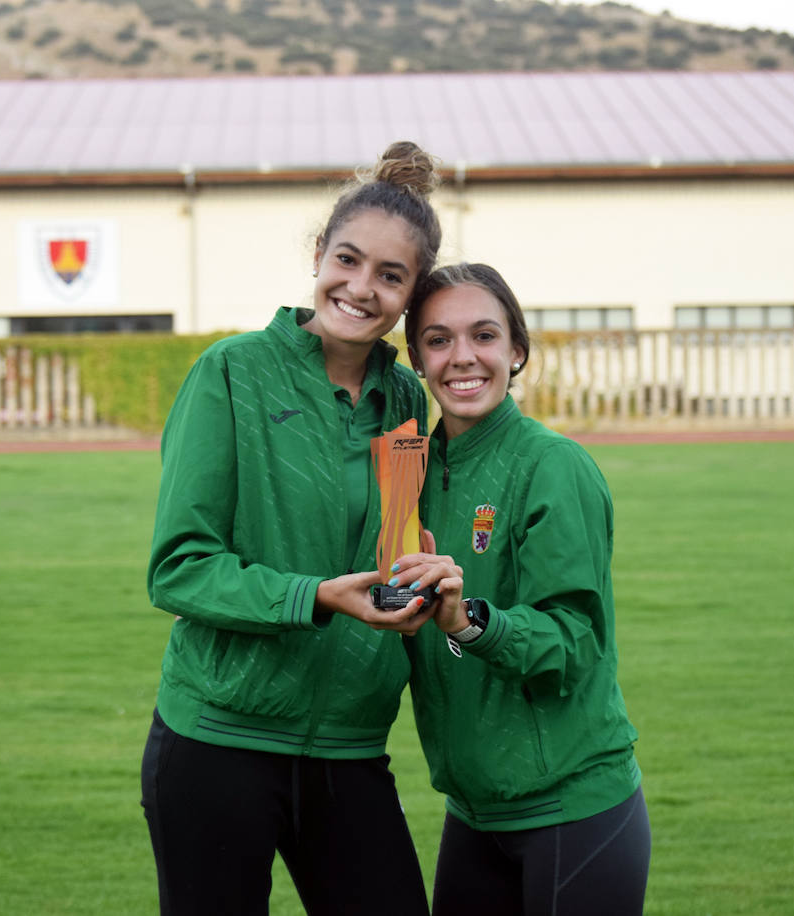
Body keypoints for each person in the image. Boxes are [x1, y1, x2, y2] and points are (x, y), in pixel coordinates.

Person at [141, 141, 444, 916]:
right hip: (218, 738)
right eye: (348, 259)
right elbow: (179, 566)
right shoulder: (231, 373)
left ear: (411, 295)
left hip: (348, 744)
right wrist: (315, 597)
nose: (360, 287)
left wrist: (413, 579)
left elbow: (396, 543)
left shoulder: (405, 396)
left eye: (390, 275)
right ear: (319, 255)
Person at [390, 263, 650, 915]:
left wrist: (466, 618)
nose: (463, 358)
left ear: (517, 351)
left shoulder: (552, 465)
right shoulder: (406, 471)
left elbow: (572, 644)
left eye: (484, 335)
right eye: (439, 340)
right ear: (417, 360)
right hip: (472, 814)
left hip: (571, 808)